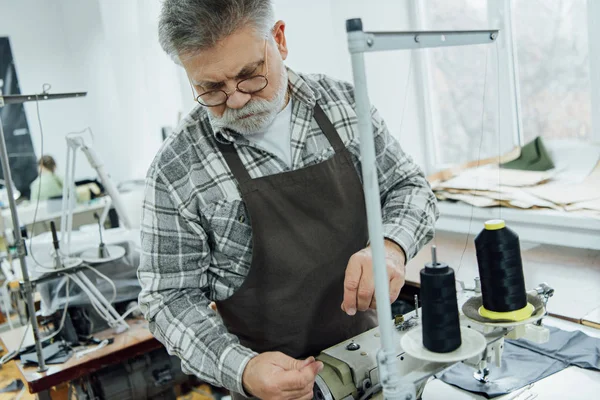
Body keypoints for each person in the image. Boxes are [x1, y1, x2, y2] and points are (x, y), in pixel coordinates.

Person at [138, 1, 439, 399]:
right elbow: (167, 297)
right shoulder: (177, 169)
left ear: (279, 40)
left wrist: (392, 246)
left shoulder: (344, 106)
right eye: (210, 89)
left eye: (249, 75)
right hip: (276, 390)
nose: (237, 100)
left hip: (376, 360)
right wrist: (241, 368)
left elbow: (409, 186)